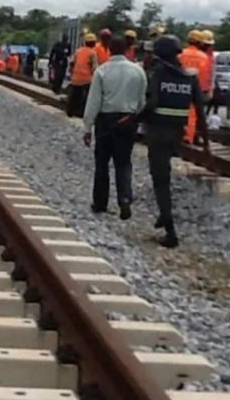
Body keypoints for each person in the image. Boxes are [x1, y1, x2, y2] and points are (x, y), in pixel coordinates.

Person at [144, 34, 206, 248]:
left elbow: (152, 102)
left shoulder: (159, 74)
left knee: (161, 180)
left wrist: (134, 118)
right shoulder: (189, 78)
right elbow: (201, 110)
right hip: (177, 135)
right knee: (164, 177)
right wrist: (206, 144)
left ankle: (170, 232)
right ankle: (164, 214)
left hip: (158, 133)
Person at [83, 36, 148, 219]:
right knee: (124, 162)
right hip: (128, 120)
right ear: (127, 49)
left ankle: (100, 203)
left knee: (102, 163)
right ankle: (125, 199)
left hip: (106, 120)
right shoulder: (138, 71)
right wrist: (135, 119)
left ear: (109, 50)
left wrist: (88, 128)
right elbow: (142, 101)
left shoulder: (102, 71)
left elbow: (94, 101)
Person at [178, 30, 214, 147]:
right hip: (197, 90)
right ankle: (189, 137)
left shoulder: (180, 55)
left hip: (180, 88)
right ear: (200, 43)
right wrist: (205, 90)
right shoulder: (204, 57)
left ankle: (181, 136)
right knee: (194, 114)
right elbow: (205, 75)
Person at [67, 33, 100, 117]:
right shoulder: (92, 53)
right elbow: (94, 68)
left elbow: (72, 63)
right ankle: (81, 113)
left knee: (74, 96)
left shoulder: (78, 51)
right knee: (86, 97)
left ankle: (70, 111)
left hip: (75, 78)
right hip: (87, 79)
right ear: (93, 43)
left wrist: (72, 73)